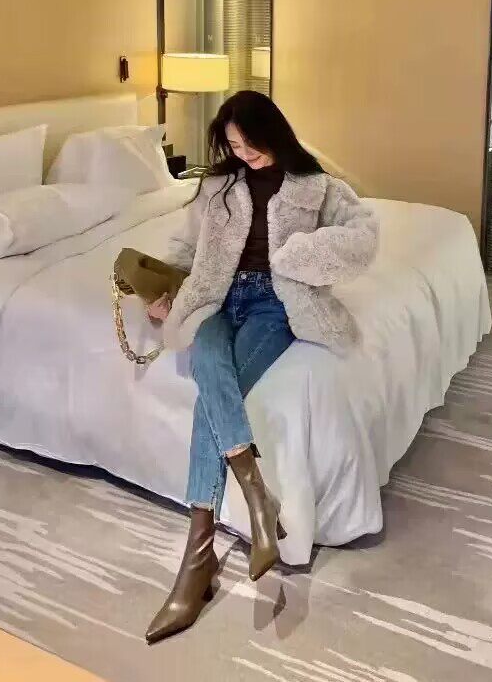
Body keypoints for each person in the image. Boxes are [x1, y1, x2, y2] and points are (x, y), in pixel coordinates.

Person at [144, 90, 378, 644]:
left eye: (251, 145)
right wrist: (166, 292)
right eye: (234, 146)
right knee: (207, 359)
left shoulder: (316, 185)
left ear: (274, 133)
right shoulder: (217, 186)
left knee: (211, 394)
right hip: (216, 299)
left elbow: (363, 237)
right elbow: (186, 248)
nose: (244, 155)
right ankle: (257, 497)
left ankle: (196, 560)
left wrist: (295, 256)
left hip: (275, 304)